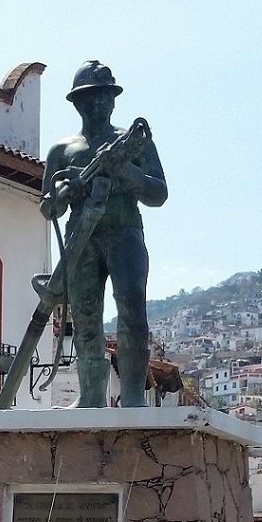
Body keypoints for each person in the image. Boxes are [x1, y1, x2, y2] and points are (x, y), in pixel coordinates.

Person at [41, 60, 168, 408]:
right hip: (81, 237)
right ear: (78, 103)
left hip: (125, 231)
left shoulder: (133, 142)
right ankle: (92, 396)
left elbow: (158, 193)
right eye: (91, 97)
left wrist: (124, 170)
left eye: (105, 96)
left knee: (131, 306)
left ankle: (131, 396)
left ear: (114, 101)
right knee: (84, 315)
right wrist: (66, 189)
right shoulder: (62, 151)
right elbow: (47, 207)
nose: (99, 103)